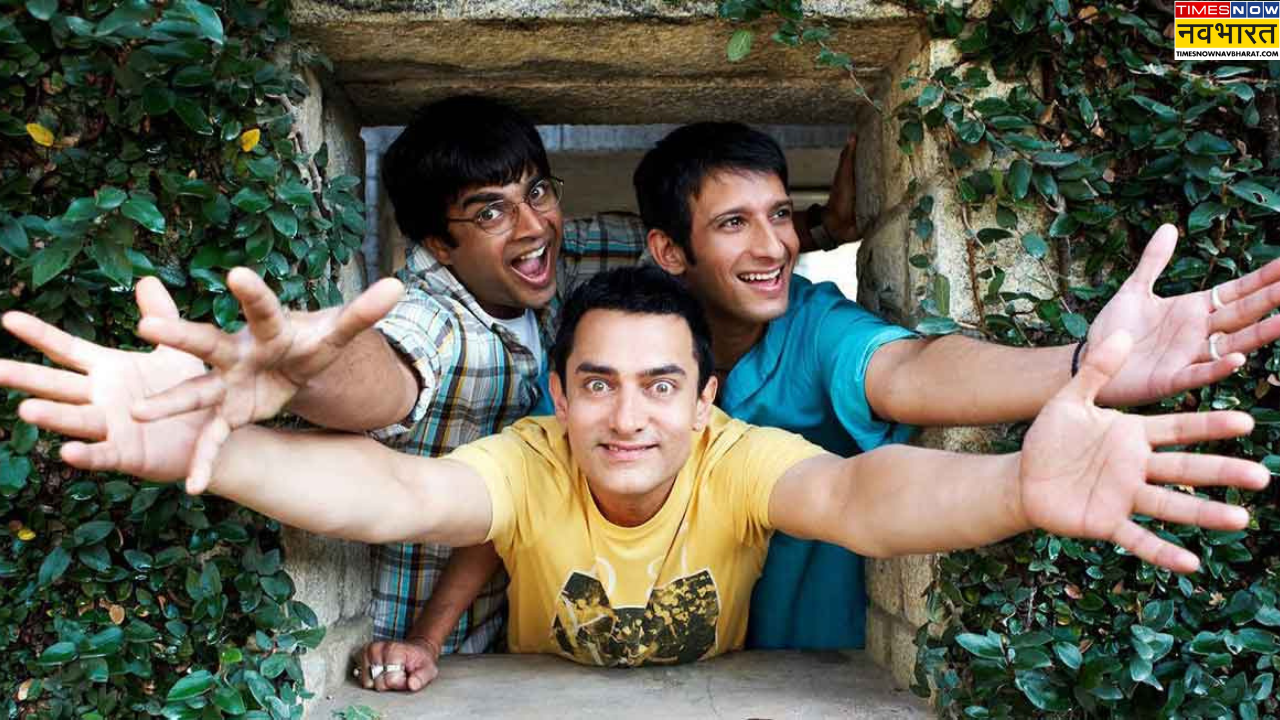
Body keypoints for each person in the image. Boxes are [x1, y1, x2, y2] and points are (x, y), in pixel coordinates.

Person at [0, 267, 1268, 673]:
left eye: (662, 385)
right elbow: (394, 496)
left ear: (705, 402)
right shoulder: (530, 457)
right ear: (557, 395)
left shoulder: (738, 455)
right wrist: (216, 450)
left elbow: (852, 498)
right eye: (596, 383)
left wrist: (1009, 490)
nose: (626, 418)